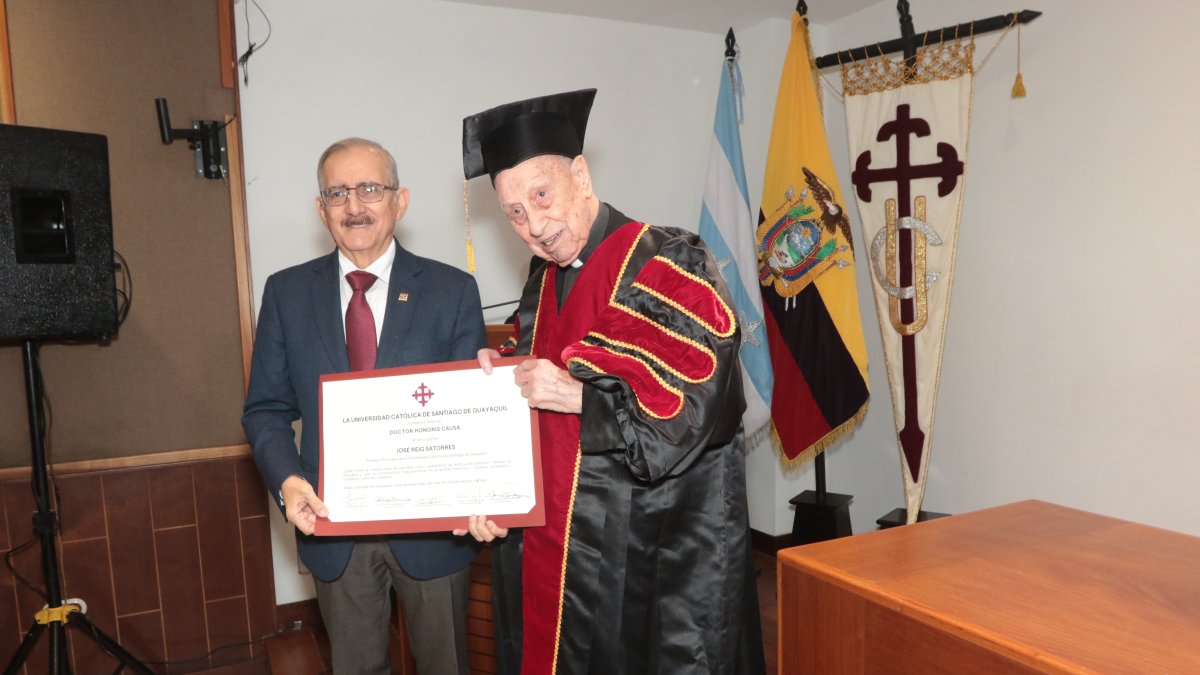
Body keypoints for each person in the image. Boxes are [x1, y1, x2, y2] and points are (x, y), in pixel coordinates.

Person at [457, 90, 765, 674]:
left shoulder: (669, 262)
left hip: (650, 559)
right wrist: (496, 392)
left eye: (541, 195)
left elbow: (704, 404)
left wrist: (579, 397)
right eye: (515, 212)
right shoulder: (540, 282)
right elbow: (543, 386)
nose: (535, 225)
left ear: (580, 172)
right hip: (554, 547)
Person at [242, 137, 486, 675]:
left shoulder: (452, 290)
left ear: (400, 200)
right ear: (320, 208)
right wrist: (286, 482)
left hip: (434, 531)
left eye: (370, 189)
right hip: (334, 529)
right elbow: (265, 409)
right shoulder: (285, 293)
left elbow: (472, 414)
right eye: (337, 193)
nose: (355, 206)